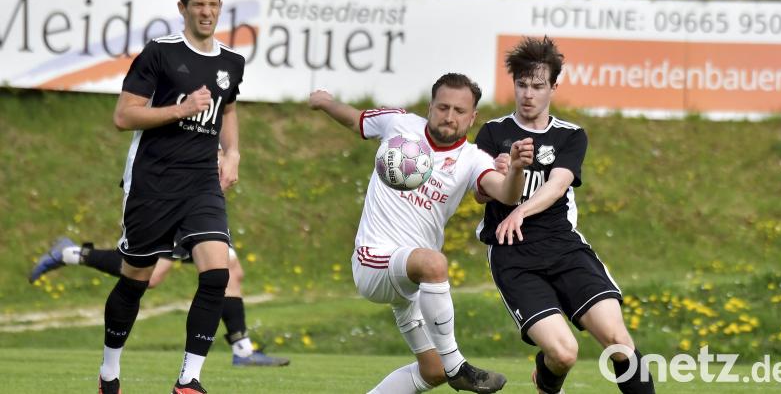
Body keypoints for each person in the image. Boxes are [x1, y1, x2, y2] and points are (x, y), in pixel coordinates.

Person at [309, 73, 534, 394]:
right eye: (443, 107)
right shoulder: (399, 124)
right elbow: (356, 120)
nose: (450, 116)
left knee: (432, 371)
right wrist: (325, 102)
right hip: (373, 260)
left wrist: (516, 169)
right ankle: (458, 366)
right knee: (434, 264)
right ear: (430, 107)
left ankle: (447, 369)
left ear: (473, 117)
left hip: (412, 283)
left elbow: (507, 195)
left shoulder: (472, 160)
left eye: (459, 111)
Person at [474, 36, 656, 394]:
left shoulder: (570, 136)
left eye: (538, 86)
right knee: (564, 353)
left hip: (563, 247)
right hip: (515, 255)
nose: (528, 94)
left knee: (618, 340)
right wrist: (499, 170)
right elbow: (480, 193)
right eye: (521, 84)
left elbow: (558, 185)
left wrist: (521, 211)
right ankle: (546, 373)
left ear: (554, 86)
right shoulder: (494, 132)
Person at [98, 0, 244, 394]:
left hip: (202, 182)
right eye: (198, 4)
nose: (207, 12)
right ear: (182, 8)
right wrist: (179, 110)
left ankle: (189, 380)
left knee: (217, 271)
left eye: (213, 5)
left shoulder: (231, 62)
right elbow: (124, 116)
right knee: (135, 281)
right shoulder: (159, 54)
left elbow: (228, 109)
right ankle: (109, 372)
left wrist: (232, 154)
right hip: (153, 181)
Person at [29, 236, 290, 367]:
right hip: (179, 202)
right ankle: (71, 253)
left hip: (205, 207)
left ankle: (243, 350)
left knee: (232, 269)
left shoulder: (221, 131)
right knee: (149, 277)